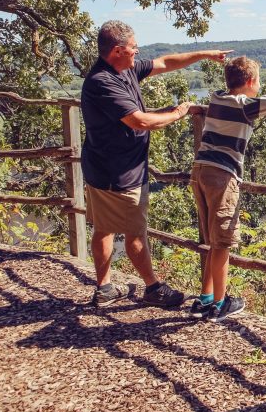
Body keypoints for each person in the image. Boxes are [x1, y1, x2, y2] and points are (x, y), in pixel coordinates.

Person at [80, 20, 231, 308]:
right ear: (117, 50)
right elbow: (140, 121)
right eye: (134, 48)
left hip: (103, 166)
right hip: (119, 172)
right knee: (134, 232)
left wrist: (205, 54)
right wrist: (178, 112)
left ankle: (104, 288)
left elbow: (164, 62)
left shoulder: (123, 69)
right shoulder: (103, 82)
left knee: (104, 227)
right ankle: (152, 288)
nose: (138, 52)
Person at [189, 56, 266, 322]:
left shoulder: (216, 98)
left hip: (200, 170)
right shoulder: (245, 106)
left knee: (211, 238)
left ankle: (205, 297)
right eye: (258, 81)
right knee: (222, 242)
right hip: (223, 175)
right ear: (251, 81)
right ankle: (219, 303)